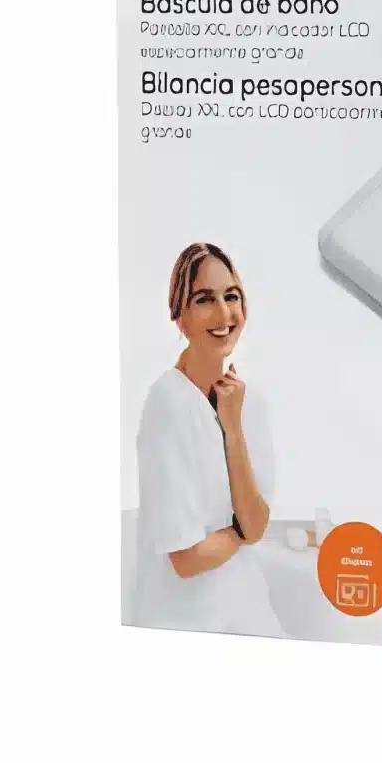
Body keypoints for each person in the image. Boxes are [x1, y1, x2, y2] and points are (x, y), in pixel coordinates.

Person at [133, 243, 283, 635]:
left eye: (231, 296)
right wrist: (239, 532)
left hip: (248, 608)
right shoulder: (168, 403)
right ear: (179, 317)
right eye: (204, 300)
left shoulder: (248, 401)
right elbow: (187, 560)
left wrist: (233, 428)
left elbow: (258, 524)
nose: (224, 314)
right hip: (184, 622)